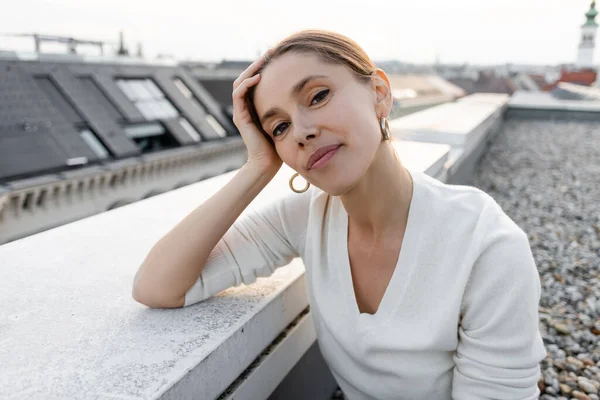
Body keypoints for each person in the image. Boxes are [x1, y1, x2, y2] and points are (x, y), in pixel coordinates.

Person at [132, 30, 546, 399]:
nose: (302, 132)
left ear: (379, 93)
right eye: (279, 128)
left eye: (317, 96)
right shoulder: (305, 218)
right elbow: (158, 287)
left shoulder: (486, 246)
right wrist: (257, 167)